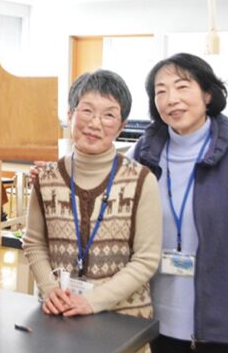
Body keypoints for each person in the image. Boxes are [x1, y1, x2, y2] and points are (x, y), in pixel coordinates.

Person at [130, 53, 228, 353]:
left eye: (182, 86)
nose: (171, 99)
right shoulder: (142, 153)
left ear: (208, 94)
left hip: (224, 320)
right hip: (159, 319)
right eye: (160, 91)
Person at [24, 70, 162, 319]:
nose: (95, 124)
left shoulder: (142, 180)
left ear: (122, 126)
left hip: (123, 320)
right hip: (59, 314)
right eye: (87, 110)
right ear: (70, 115)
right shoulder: (45, 177)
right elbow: (34, 242)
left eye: (109, 115)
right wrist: (49, 289)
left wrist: (91, 301)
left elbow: (146, 259)